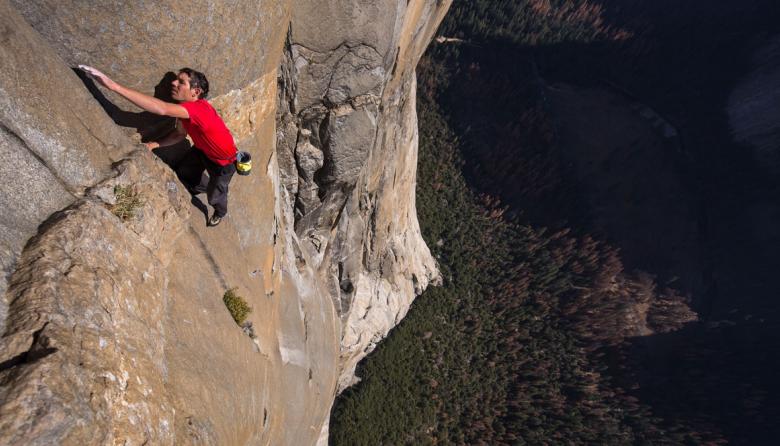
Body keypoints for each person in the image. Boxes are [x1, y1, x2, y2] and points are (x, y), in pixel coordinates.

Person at [80, 65, 237, 227]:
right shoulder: (185, 111)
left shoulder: (197, 110)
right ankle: (207, 187)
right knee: (185, 172)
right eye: (176, 79)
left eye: (181, 82)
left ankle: (220, 210)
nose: (174, 83)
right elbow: (179, 134)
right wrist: (152, 145)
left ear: (195, 92)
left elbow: (161, 109)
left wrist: (114, 86)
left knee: (215, 196)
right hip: (202, 149)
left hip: (223, 162)